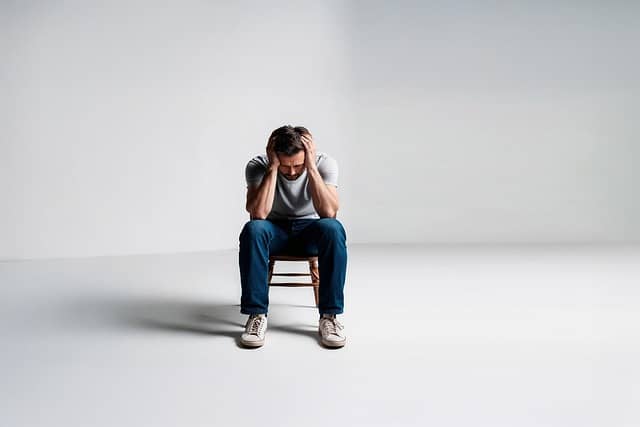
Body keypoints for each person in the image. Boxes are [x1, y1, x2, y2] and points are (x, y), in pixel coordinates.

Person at [238, 125, 347, 348]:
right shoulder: (258, 165)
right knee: (253, 229)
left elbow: (328, 212)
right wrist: (272, 169)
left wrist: (311, 168)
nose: (291, 172)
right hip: (274, 231)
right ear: (273, 155)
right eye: (284, 166)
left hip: (310, 231)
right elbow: (258, 214)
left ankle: (329, 317)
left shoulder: (324, 163)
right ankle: (257, 315)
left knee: (333, 228)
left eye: (298, 165)